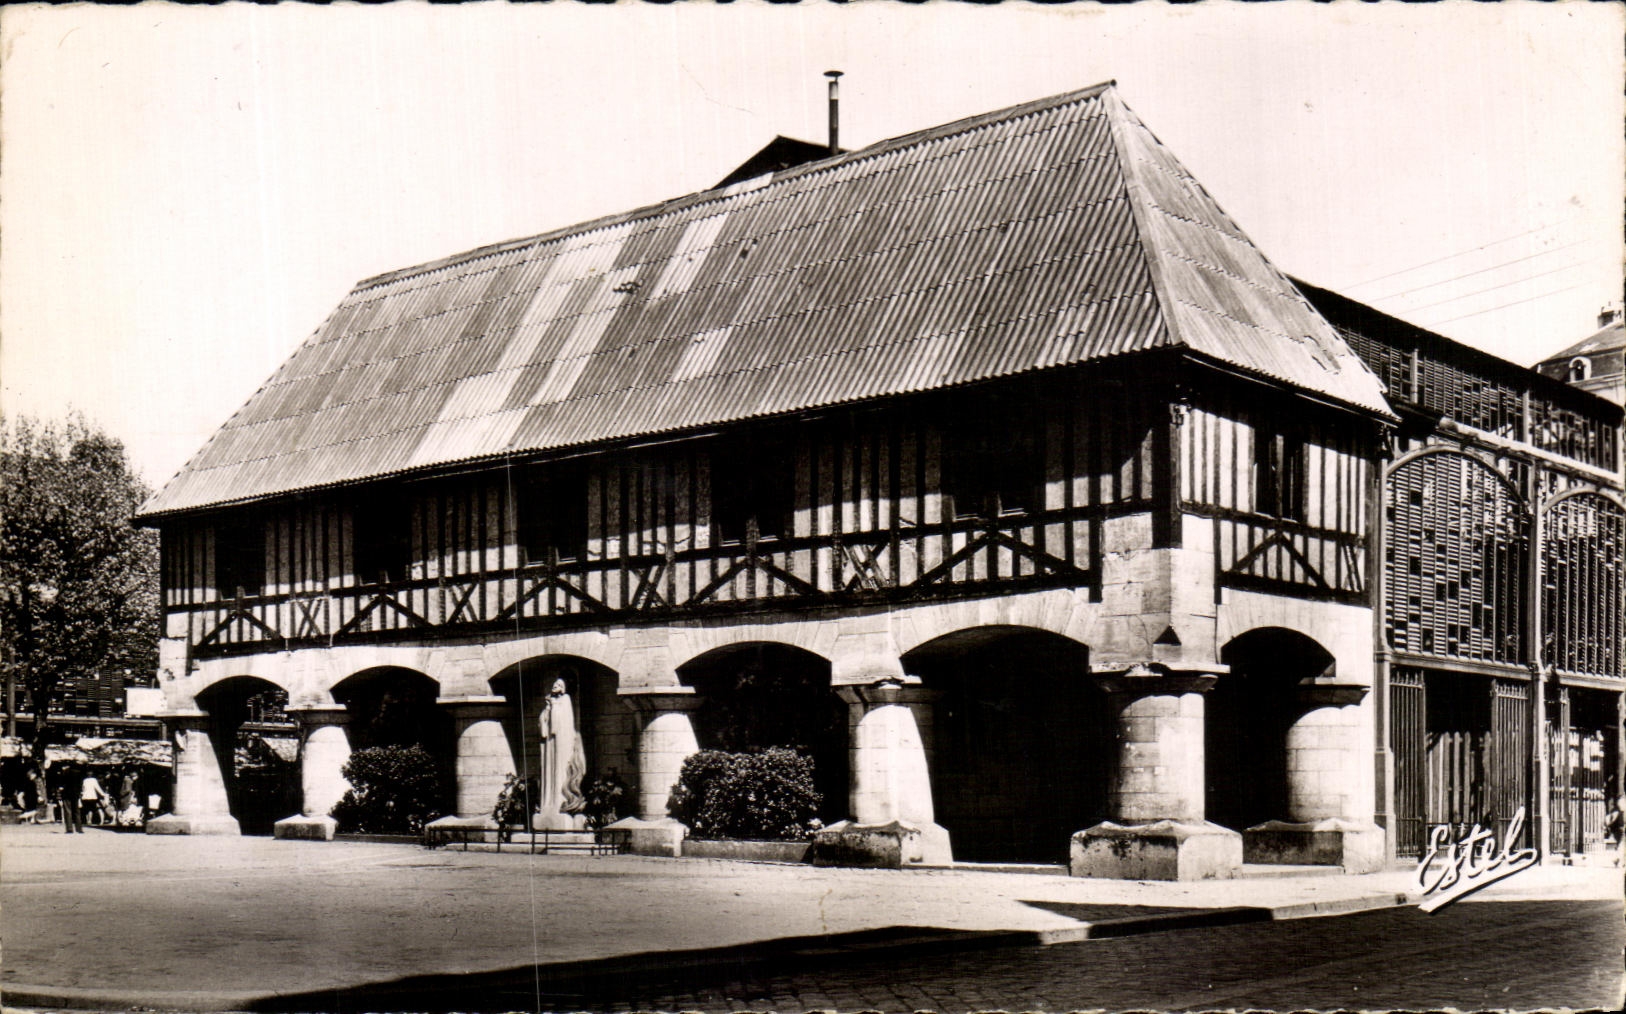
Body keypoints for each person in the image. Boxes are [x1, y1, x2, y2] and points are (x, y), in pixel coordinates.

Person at [536, 677, 587, 830]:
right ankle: (547, 803)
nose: (555, 686)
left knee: (560, 771)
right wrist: (546, 712)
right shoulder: (549, 702)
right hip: (550, 743)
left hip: (561, 742)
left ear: (563, 688)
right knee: (548, 771)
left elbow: (563, 721)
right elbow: (543, 722)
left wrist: (553, 707)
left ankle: (560, 801)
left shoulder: (565, 699)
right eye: (554, 684)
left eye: (558, 685)